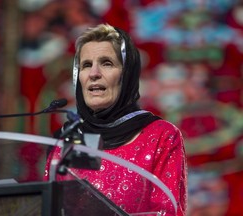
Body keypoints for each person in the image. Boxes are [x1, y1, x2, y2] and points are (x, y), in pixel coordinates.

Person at [44, 23, 187, 215]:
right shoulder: (68, 139)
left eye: (106, 63)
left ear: (127, 74)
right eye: (86, 65)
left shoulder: (161, 135)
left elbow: (167, 211)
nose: (94, 74)